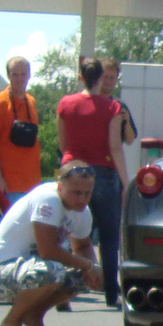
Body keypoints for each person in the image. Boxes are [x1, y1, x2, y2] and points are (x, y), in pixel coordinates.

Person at [0, 161, 103, 326]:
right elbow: (48, 250)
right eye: (76, 193)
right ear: (60, 187)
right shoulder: (47, 199)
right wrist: (88, 265)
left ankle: (33, 318)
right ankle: (10, 323)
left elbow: (83, 246)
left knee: (80, 277)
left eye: (87, 193)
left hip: (27, 270)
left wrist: (94, 270)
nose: (82, 200)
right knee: (51, 270)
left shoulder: (83, 213)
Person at [56, 57, 130, 308]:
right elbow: (115, 147)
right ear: (101, 78)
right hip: (104, 173)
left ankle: (61, 294)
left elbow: (63, 144)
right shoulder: (112, 108)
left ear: (81, 77)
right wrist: (125, 182)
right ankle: (111, 292)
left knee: (64, 236)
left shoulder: (65, 104)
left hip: (72, 170)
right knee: (109, 238)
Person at [0, 52, 43, 208]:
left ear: (29, 75)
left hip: (31, 184)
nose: (19, 79)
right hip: (8, 185)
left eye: (23, 74)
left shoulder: (31, 102)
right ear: (8, 76)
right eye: (15, 74)